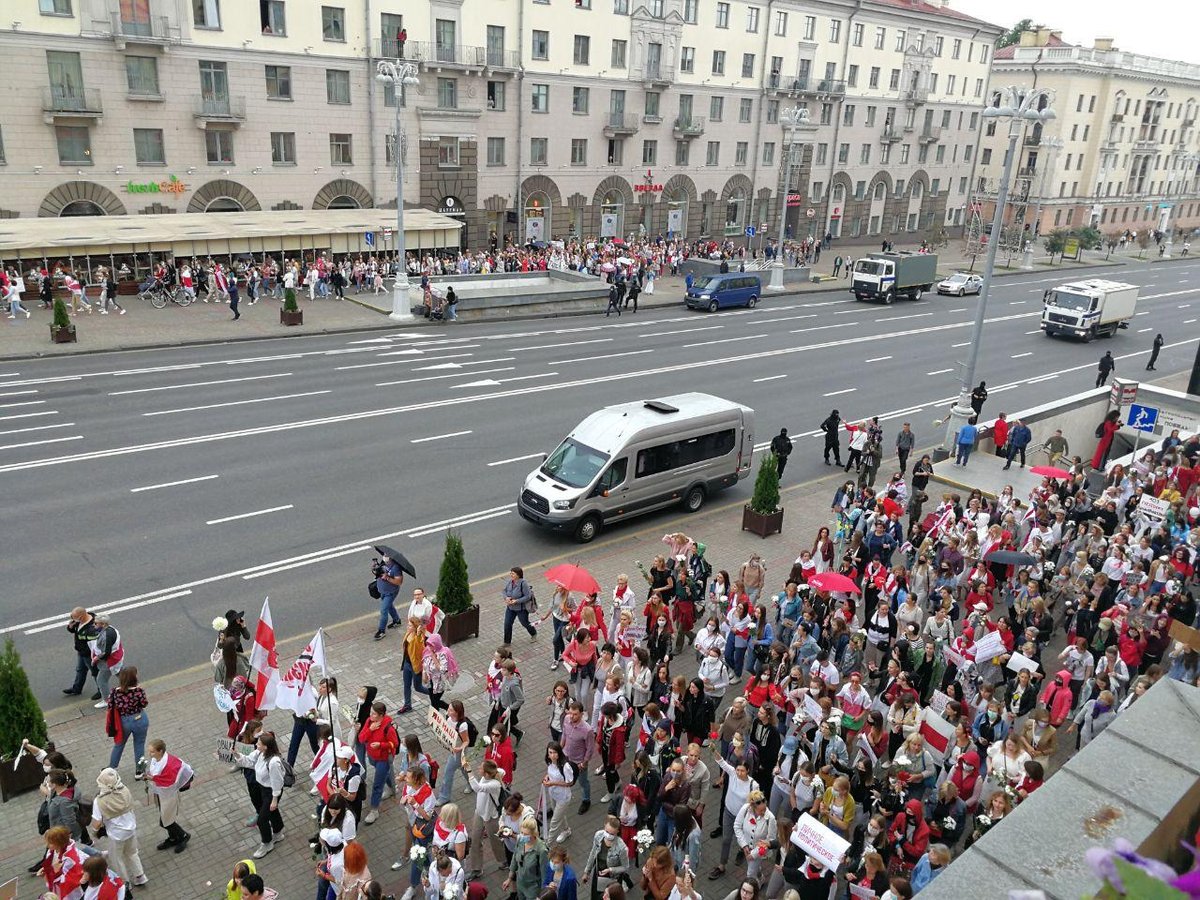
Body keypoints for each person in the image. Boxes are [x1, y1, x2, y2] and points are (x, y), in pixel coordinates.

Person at [89, 768, 147, 887]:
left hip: (116, 835)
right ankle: (140, 876)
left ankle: (125, 883)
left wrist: (94, 832)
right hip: (131, 830)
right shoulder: (124, 790)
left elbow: (97, 822)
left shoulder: (99, 801)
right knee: (132, 853)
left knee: (117, 859)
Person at [234, 732, 287, 858]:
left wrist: (274, 800)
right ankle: (278, 832)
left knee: (262, 819)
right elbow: (248, 761)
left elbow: (277, 782)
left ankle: (267, 843)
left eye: (259, 743)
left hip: (271, 791)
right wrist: (236, 754)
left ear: (266, 747)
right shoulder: (259, 753)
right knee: (272, 812)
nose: (256, 744)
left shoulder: (274, 762)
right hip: (263, 788)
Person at [143, 738, 192, 853]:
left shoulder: (169, 764)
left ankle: (184, 836)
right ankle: (173, 838)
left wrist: (152, 778)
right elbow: (158, 776)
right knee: (166, 818)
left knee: (165, 821)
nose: (150, 754)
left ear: (160, 751)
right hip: (161, 794)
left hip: (169, 796)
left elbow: (169, 781)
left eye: (152, 752)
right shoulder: (157, 759)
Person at [107, 667, 149, 771]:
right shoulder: (139, 691)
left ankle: (111, 768)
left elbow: (110, 706)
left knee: (119, 745)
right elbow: (144, 704)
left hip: (123, 721)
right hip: (139, 719)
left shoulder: (115, 692)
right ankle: (139, 771)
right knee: (139, 744)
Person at [506, 816, 551, 900]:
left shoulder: (541, 851)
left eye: (526, 834)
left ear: (534, 834)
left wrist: (542, 894)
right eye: (521, 832)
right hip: (520, 884)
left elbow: (545, 873)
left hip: (533, 888)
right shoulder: (521, 841)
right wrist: (509, 878)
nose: (522, 836)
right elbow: (515, 858)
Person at [63, 607, 102, 697]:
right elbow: (74, 630)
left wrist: (87, 654)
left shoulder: (92, 628)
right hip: (81, 652)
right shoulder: (79, 622)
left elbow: (93, 645)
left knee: (95, 672)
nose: (73, 620)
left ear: (81, 616)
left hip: (88, 654)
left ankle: (101, 690)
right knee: (80, 670)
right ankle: (77, 688)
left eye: (75, 618)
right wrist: (70, 627)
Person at [373, 553, 405, 641]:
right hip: (382, 591)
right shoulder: (383, 562)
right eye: (384, 555)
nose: (384, 557)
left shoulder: (396, 567)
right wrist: (375, 569)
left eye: (387, 556)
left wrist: (387, 578)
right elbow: (379, 573)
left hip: (390, 592)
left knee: (383, 610)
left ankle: (381, 631)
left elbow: (399, 582)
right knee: (389, 606)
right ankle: (397, 620)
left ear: (391, 557)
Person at [503, 566, 539, 643]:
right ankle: (507, 643)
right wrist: (506, 598)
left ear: (518, 575)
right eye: (510, 573)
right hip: (510, 608)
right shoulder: (510, 582)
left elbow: (528, 596)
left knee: (525, 623)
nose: (511, 575)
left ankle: (533, 633)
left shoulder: (523, 583)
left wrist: (517, 601)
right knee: (507, 624)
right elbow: (504, 591)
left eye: (513, 573)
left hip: (521, 609)